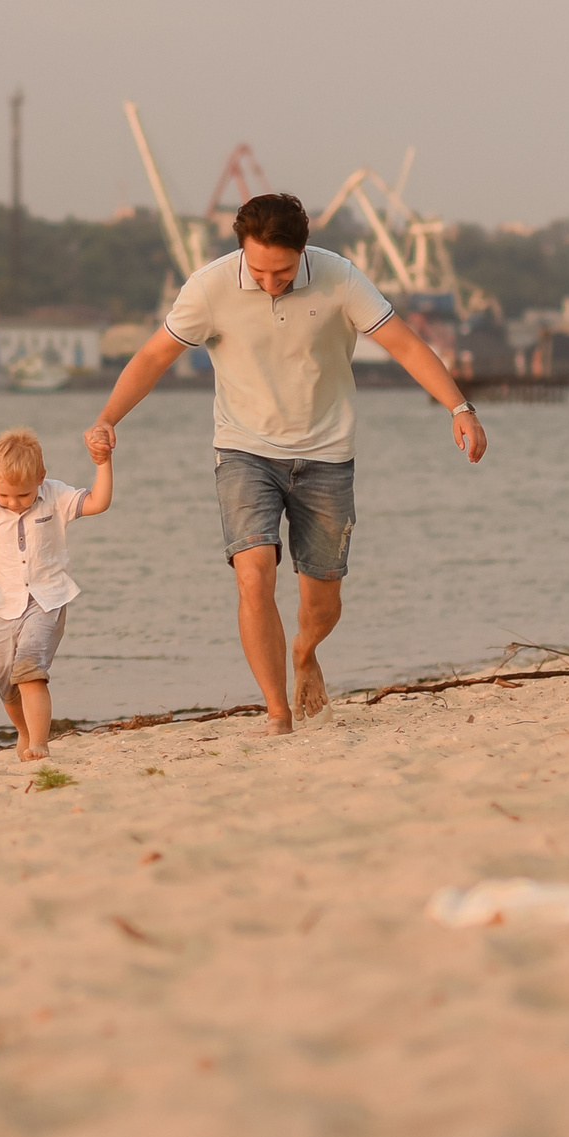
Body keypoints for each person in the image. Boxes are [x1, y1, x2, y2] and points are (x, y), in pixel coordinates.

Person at [85, 192, 485, 736]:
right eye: (259, 270)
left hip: (326, 455)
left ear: (303, 251)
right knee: (254, 576)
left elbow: (406, 346)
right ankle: (277, 713)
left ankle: (305, 650)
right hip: (244, 450)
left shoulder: (340, 277)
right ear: (242, 251)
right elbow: (156, 356)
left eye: (283, 271)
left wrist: (459, 408)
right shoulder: (209, 287)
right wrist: (109, 417)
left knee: (322, 602)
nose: (271, 282)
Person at [0, 426, 115, 761]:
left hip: (48, 599)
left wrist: (103, 463)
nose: (14, 503)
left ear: (41, 478)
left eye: (23, 496)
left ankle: (39, 744)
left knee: (30, 668)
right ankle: (23, 730)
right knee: (6, 683)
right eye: (5, 495)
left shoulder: (56, 495)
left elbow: (98, 502)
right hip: (2, 607)